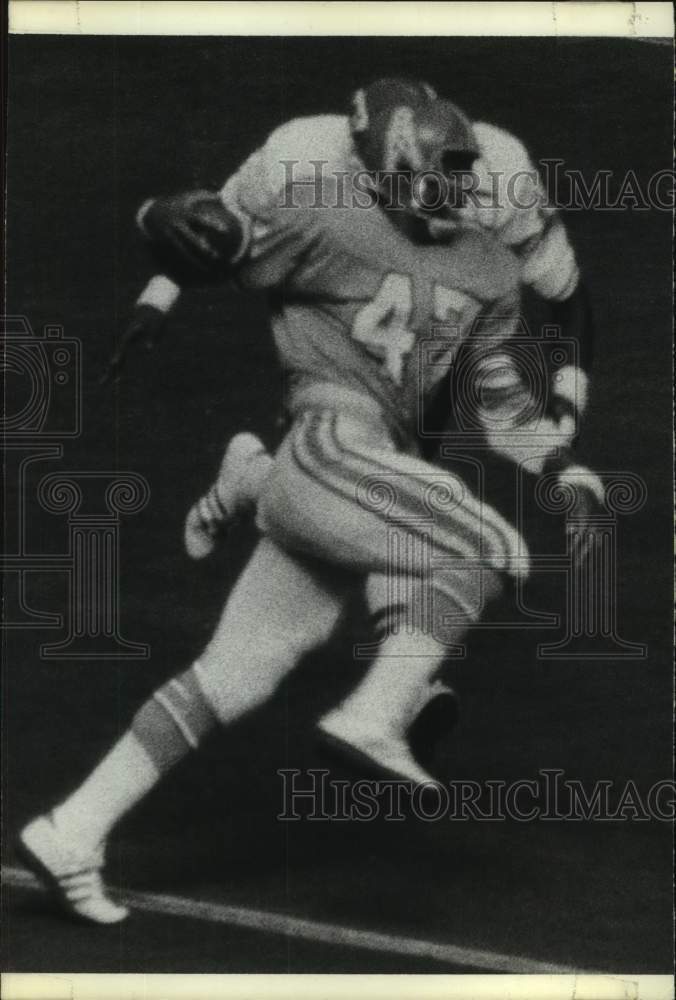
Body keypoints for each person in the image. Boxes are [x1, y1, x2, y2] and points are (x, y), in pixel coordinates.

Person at [19, 78, 601, 925]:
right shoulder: (324, 218)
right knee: (485, 546)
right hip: (330, 442)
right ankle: (373, 712)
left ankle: (72, 830)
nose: (445, 195)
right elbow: (207, 238)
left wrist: (565, 470)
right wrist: (157, 219)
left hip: (357, 474)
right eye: (425, 178)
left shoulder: (490, 265)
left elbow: (498, 395)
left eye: (456, 176)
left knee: (238, 672)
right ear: (375, 171)